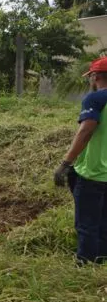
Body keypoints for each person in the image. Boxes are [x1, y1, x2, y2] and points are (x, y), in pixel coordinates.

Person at [54, 56, 107, 264]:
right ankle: (101, 259)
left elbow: (85, 131)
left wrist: (65, 164)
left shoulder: (94, 99)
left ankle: (85, 262)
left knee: (87, 223)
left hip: (92, 171)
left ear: (95, 76)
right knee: (104, 221)